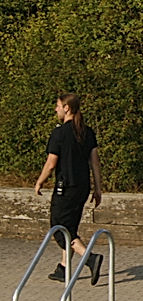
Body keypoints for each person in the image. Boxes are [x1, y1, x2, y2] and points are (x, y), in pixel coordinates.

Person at [33, 93, 104, 284]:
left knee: (58, 229)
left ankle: (90, 258)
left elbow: (51, 163)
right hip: (82, 188)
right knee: (70, 227)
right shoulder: (87, 132)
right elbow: (95, 162)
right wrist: (98, 188)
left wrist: (40, 181)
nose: (56, 109)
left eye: (57, 106)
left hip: (65, 188)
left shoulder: (60, 133)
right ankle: (64, 268)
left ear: (66, 108)